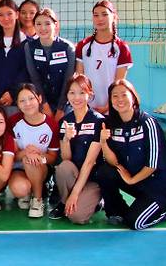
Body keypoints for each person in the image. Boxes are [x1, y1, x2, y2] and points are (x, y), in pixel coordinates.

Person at [98, 79, 166, 230]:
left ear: (133, 97)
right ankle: (117, 212)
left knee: (136, 223)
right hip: (133, 180)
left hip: (157, 185)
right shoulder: (111, 125)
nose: (119, 99)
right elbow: (112, 162)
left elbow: (153, 165)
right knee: (104, 172)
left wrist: (132, 180)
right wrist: (103, 142)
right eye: (114, 96)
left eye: (124, 95)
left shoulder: (148, 123)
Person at [49, 74, 103, 223]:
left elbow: (89, 163)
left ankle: (95, 200)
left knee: (76, 217)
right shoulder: (65, 121)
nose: (76, 97)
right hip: (74, 173)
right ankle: (65, 202)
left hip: (92, 178)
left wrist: (75, 194)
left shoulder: (98, 121)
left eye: (81, 92)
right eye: (72, 92)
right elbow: (66, 159)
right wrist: (66, 139)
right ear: (67, 95)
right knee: (63, 167)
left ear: (89, 94)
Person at [8, 84, 59, 218]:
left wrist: (38, 156)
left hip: (41, 167)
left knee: (30, 160)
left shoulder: (51, 125)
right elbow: (12, 156)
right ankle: (27, 192)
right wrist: (26, 152)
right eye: (22, 101)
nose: (27, 103)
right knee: (19, 189)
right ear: (17, 104)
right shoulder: (13, 122)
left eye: (31, 98)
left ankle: (37, 199)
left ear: (39, 99)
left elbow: (53, 158)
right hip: (19, 168)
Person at [75, 0, 132, 114]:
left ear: (114, 16)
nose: (100, 19)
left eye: (104, 14)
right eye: (96, 15)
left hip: (112, 108)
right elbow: (80, 79)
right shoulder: (83, 45)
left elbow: (119, 83)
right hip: (86, 108)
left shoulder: (122, 47)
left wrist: (108, 106)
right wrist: (84, 105)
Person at [24, 7, 75, 122]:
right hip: (41, 102)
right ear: (34, 26)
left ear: (55, 25)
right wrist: (44, 105)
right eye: (38, 24)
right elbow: (34, 78)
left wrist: (61, 109)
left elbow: (68, 80)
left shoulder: (67, 48)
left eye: (47, 23)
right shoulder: (29, 47)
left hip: (65, 103)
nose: (43, 28)